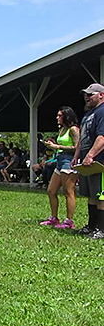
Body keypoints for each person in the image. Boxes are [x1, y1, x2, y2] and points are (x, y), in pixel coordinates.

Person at [72, 83, 104, 239]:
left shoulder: (102, 112)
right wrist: (77, 156)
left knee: (101, 195)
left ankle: (101, 229)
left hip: (99, 161)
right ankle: (91, 226)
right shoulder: (87, 115)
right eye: (85, 94)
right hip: (86, 162)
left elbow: (102, 137)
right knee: (91, 194)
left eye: (90, 94)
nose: (87, 97)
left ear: (101, 95)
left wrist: (91, 155)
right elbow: (81, 139)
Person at [39, 106, 80, 229]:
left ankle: (69, 221)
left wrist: (57, 147)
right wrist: (54, 145)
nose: (57, 118)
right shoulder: (62, 129)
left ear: (67, 116)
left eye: (60, 115)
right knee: (51, 191)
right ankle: (54, 218)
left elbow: (77, 147)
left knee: (68, 192)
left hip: (69, 161)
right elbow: (61, 145)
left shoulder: (73, 130)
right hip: (60, 160)